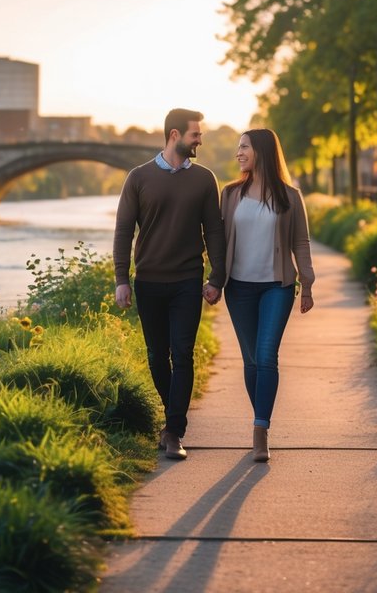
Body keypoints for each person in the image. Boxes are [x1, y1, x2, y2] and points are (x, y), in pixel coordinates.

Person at [114, 108, 226, 460]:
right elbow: (123, 231)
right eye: (195, 134)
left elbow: (215, 232)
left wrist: (216, 278)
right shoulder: (138, 177)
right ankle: (171, 416)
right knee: (156, 357)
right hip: (148, 281)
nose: (200, 140)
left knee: (182, 354)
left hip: (186, 281)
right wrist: (121, 279)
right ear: (175, 135)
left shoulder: (205, 179)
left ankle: (175, 431)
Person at [220, 128, 315, 463]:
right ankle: (260, 416)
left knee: (265, 357)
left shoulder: (290, 196)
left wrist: (307, 281)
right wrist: (214, 280)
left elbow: (301, 242)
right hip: (239, 288)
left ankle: (260, 432)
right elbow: (218, 242)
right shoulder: (230, 194)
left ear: (260, 151)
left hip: (277, 287)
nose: (238, 153)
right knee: (250, 361)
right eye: (238, 148)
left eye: (243, 147)